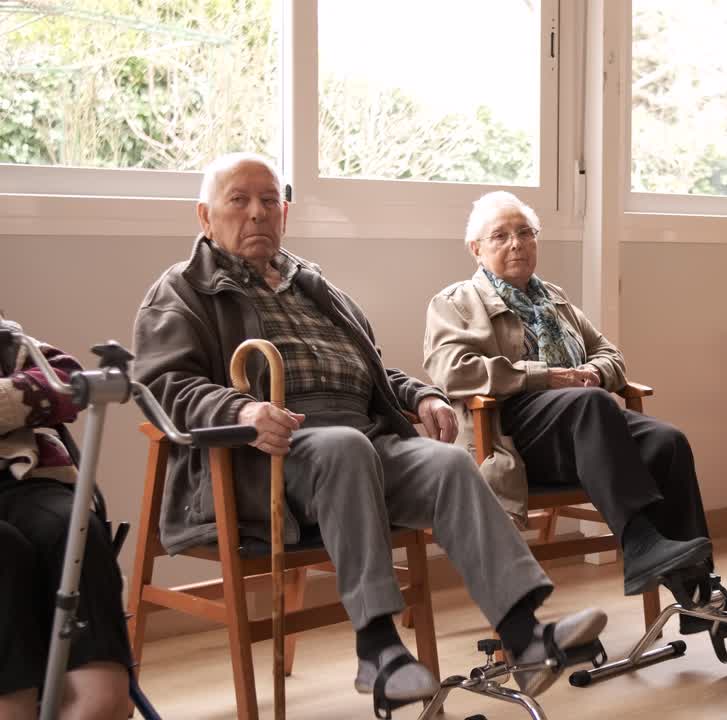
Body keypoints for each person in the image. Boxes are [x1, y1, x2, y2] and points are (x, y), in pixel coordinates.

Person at [131, 154, 605, 705]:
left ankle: (526, 639)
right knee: (346, 447)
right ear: (205, 216)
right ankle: (377, 649)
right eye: (239, 201)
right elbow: (162, 384)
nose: (258, 213)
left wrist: (418, 394)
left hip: (361, 443)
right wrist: (240, 411)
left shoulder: (312, 284)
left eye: (269, 202)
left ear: (284, 213)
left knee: (450, 462)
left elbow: (373, 366)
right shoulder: (184, 290)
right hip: (260, 461)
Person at [423, 190, 727, 635]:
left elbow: (610, 353)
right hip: (511, 429)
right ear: (476, 248)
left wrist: (592, 371)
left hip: (584, 425)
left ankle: (703, 594)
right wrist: (545, 376)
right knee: (587, 404)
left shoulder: (553, 297)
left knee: (667, 441)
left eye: (526, 233)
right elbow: (452, 370)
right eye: (501, 236)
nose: (517, 244)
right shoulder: (455, 302)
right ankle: (640, 540)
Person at [0, 316, 131, 720]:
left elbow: (67, 380)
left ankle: (100, 697)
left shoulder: (7, 337)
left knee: (73, 527)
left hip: (22, 479)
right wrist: (17, 402)